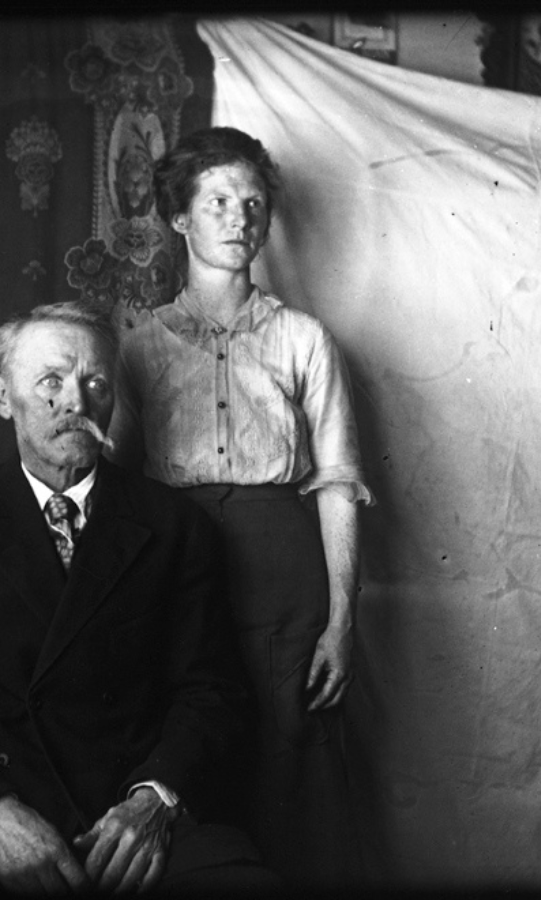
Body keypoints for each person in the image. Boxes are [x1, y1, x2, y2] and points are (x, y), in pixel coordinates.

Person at [0, 301, 282, 895]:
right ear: (4, 398)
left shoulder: (174, 526)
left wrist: (154, 800)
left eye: (94, 382)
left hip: (126, 821)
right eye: (51, 381)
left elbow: (212, 694)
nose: (76, 401)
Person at [108, 126, 375, 885]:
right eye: (218, 200)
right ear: (182, 219)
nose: (239, 217)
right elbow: (118, 488)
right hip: (175, 563)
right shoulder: (141, 347)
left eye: (253, 203)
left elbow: (337, 481)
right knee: (186, 739)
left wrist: (342, 621)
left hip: (283, 570)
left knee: (293, 745)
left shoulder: (303, 339)